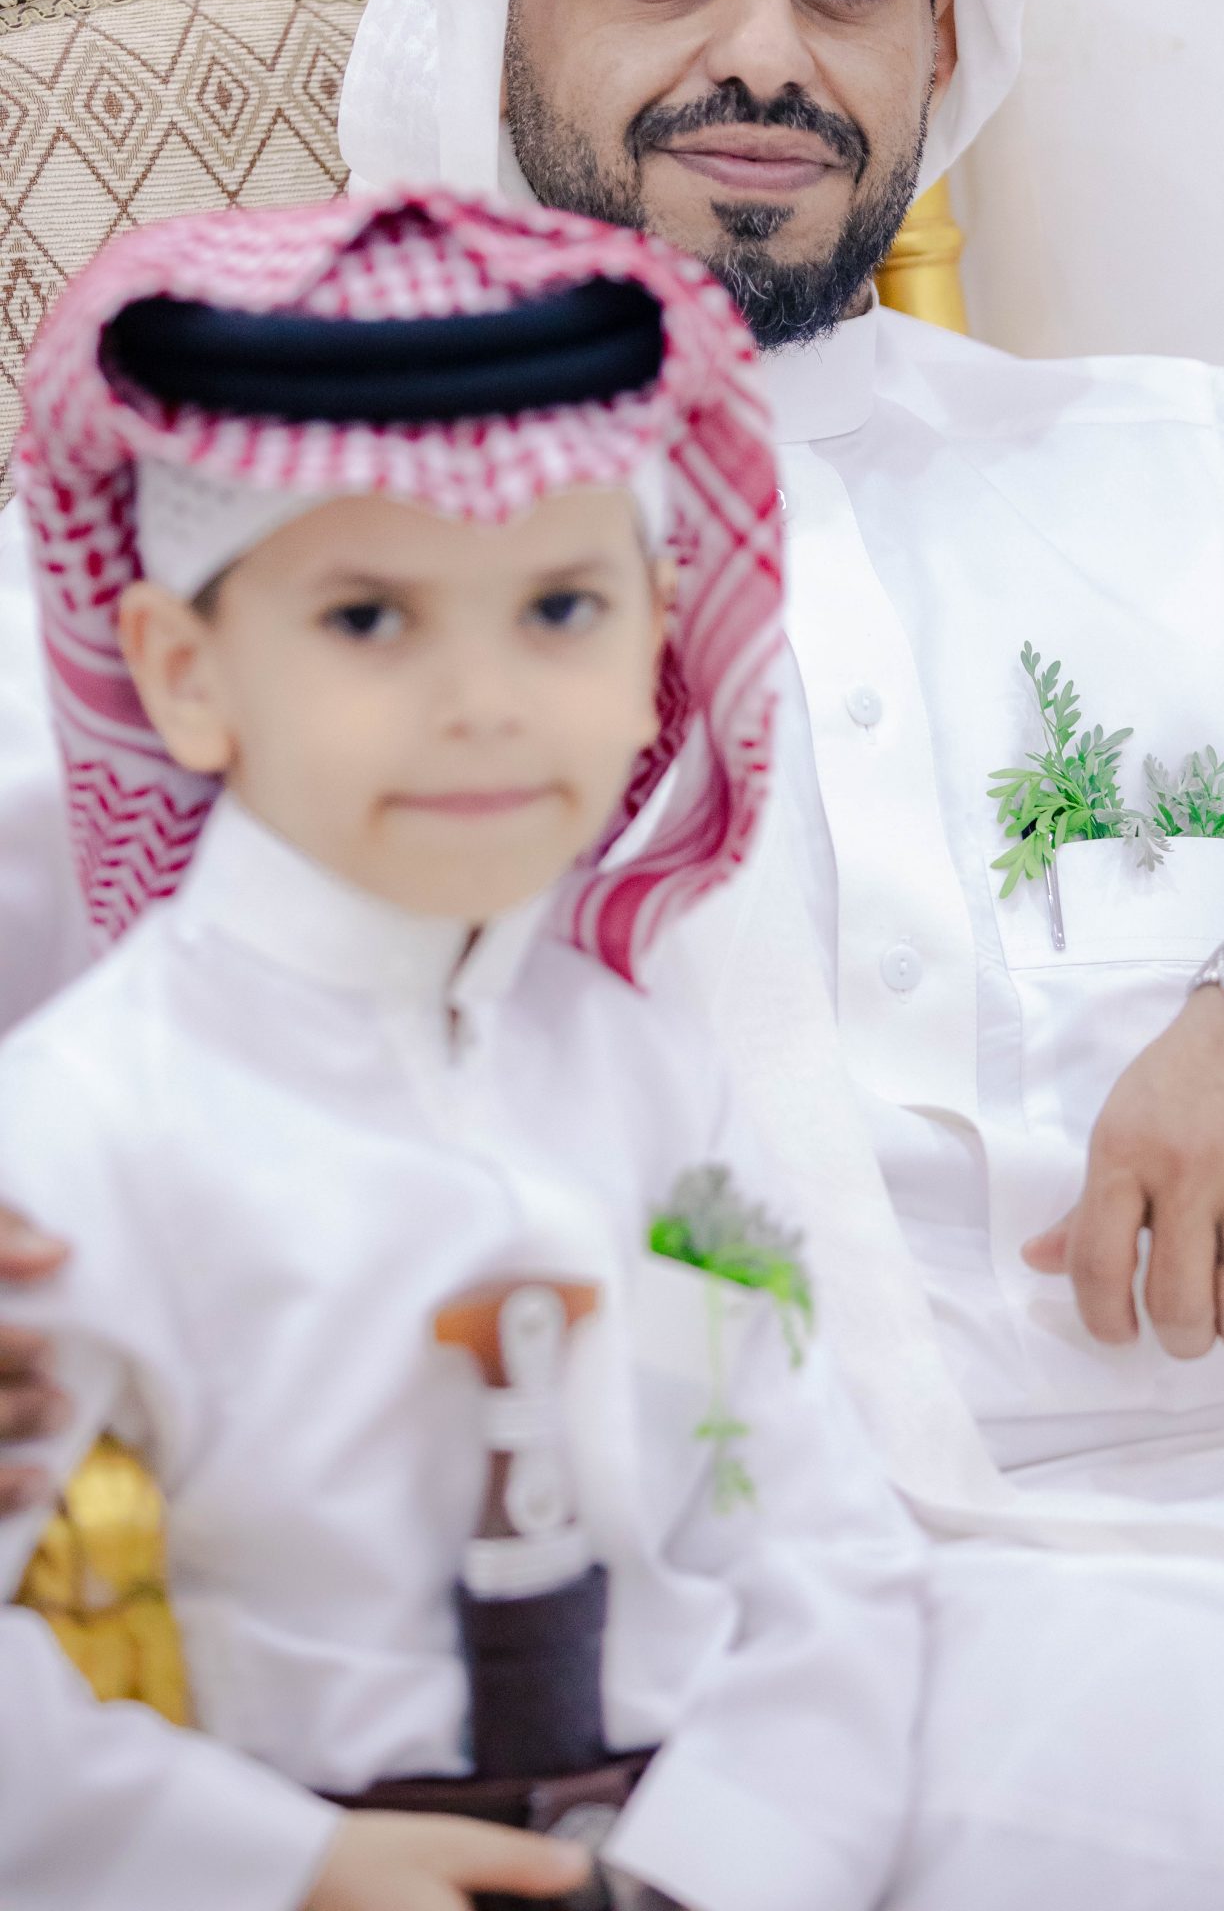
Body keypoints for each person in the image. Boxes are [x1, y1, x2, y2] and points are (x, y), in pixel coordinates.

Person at [3, 0, 1224, 1905]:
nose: (762, 53)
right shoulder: (285, 552)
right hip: (787, 1650)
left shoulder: (1196, 476)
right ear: (486, 5)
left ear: (937, 33)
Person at [0, 188, 923, 1911]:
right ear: (185, 672)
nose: (486, 700)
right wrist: (281, 1867)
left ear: (657, 633)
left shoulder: (650, 1075)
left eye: (560, 610)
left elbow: (805, 1530)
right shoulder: (80, 1132)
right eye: (368, 619)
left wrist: (727, 1865)